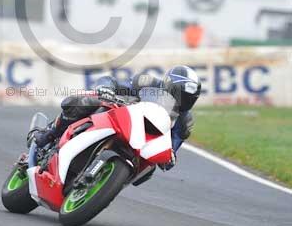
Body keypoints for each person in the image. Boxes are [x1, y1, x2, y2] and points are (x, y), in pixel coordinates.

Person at [31, 65, 201, 174]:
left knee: (148, 170)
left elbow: (171, 150)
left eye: (188, 98)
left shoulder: (184, 122)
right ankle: (48, 134)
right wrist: (106, 89)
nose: (182, 101)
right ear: (169, 85)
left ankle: (107, 180)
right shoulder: (146, 82)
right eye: (180, 94)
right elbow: (111, 81)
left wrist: (170, 158)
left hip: (141, 142)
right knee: (86, 101)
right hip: (118, 115)